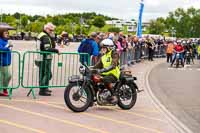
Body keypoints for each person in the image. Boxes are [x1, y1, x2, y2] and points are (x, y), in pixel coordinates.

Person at [93, 39, 120, 104]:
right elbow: (97, 66)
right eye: (102, 47)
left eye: (104, 47)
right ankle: (93, 97)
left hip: (114, 74)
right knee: (93, 78)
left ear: (109, 47)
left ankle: (114, 95)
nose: (102, 49)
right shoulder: (103, 56)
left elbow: (113, 65)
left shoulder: (114, 53)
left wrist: (102, 70)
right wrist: (91, 70)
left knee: (105, 79)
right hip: (105, 73)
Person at [37, 22, 59, 96]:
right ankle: (43, 89)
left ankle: (44, 88)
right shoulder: (45, 37)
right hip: (45, 57)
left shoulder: (42, 34)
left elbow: (52, 44)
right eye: (50, 30)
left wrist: (52, 37)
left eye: (53, 30)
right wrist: (56, 51)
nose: (52, 31)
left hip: (41, 57)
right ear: (46, 29)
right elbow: (47, 48)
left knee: (43, 74)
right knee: (47, 74)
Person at [0, 29, 12, 96]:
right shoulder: (0, 40)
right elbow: (1, 49)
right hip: (2, 61)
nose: (7, 34)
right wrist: (8, 46)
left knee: (5, 76)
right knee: (7, 75)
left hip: (7, 61)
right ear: (1, 34)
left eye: (7, 33)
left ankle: (3, 89)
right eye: (5, 33)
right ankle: (3, 89)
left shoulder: (6, 41)